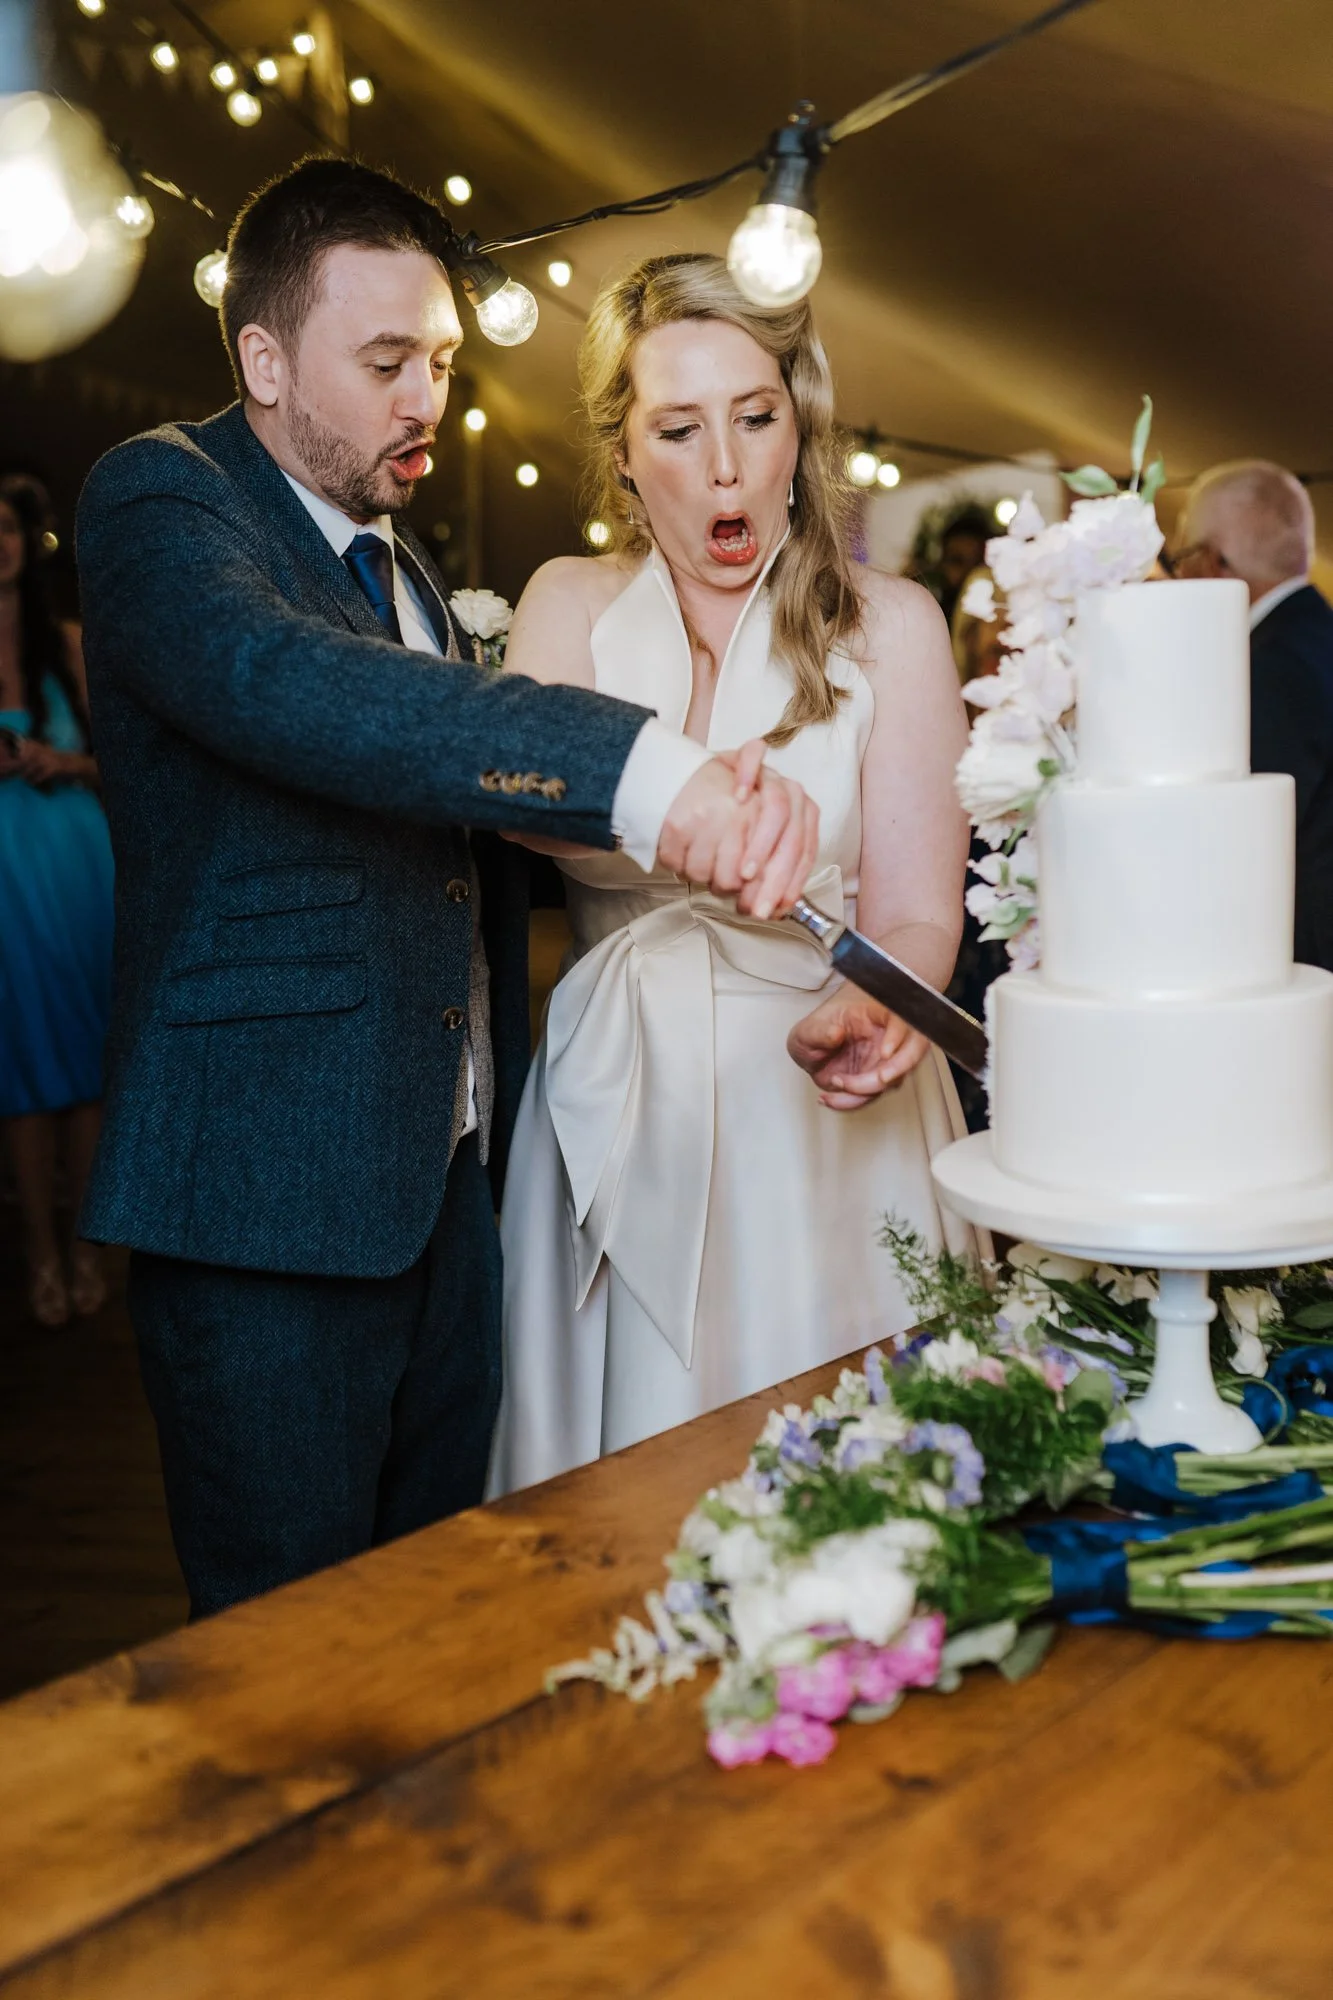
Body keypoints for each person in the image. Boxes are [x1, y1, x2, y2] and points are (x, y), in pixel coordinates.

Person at [74, 162, 819, 1619]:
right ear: (265, 360)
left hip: (451, 1196)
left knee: (430, 1618)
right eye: (387, 363)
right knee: (285, 1647)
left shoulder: (405, 562)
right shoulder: (166, 498)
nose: (429, 398)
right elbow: (290, 689)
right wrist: (655, 777)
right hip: (266, 1206)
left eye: (443, 363)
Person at [488, 254, 977, 1494]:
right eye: (679, 427)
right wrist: (675, 810)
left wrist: (881, 1004)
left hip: (824, 1110)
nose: (725, 466)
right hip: (624, 1098)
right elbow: (525, 807)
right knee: (625, 1496)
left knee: (861, 1487)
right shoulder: (571, 601)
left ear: (795, 426)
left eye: (755, 419)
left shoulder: (895, 624)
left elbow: (920, 910)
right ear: (622, 453)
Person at [0, 476, 114, 1326]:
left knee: (83, 1063)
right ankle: (39, 1253)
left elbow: (128, 762)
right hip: (6, 876)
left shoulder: (70, 644)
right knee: (21, 1067)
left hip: (77, 866)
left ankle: (84, 1247)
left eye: (6, 528)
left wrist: (61, 761)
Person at [1177, 461, 1333, 972]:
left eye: (1181, 559)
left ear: (1212, 561)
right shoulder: (1316, 636)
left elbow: (1248, 847)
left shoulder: (1264, 669)